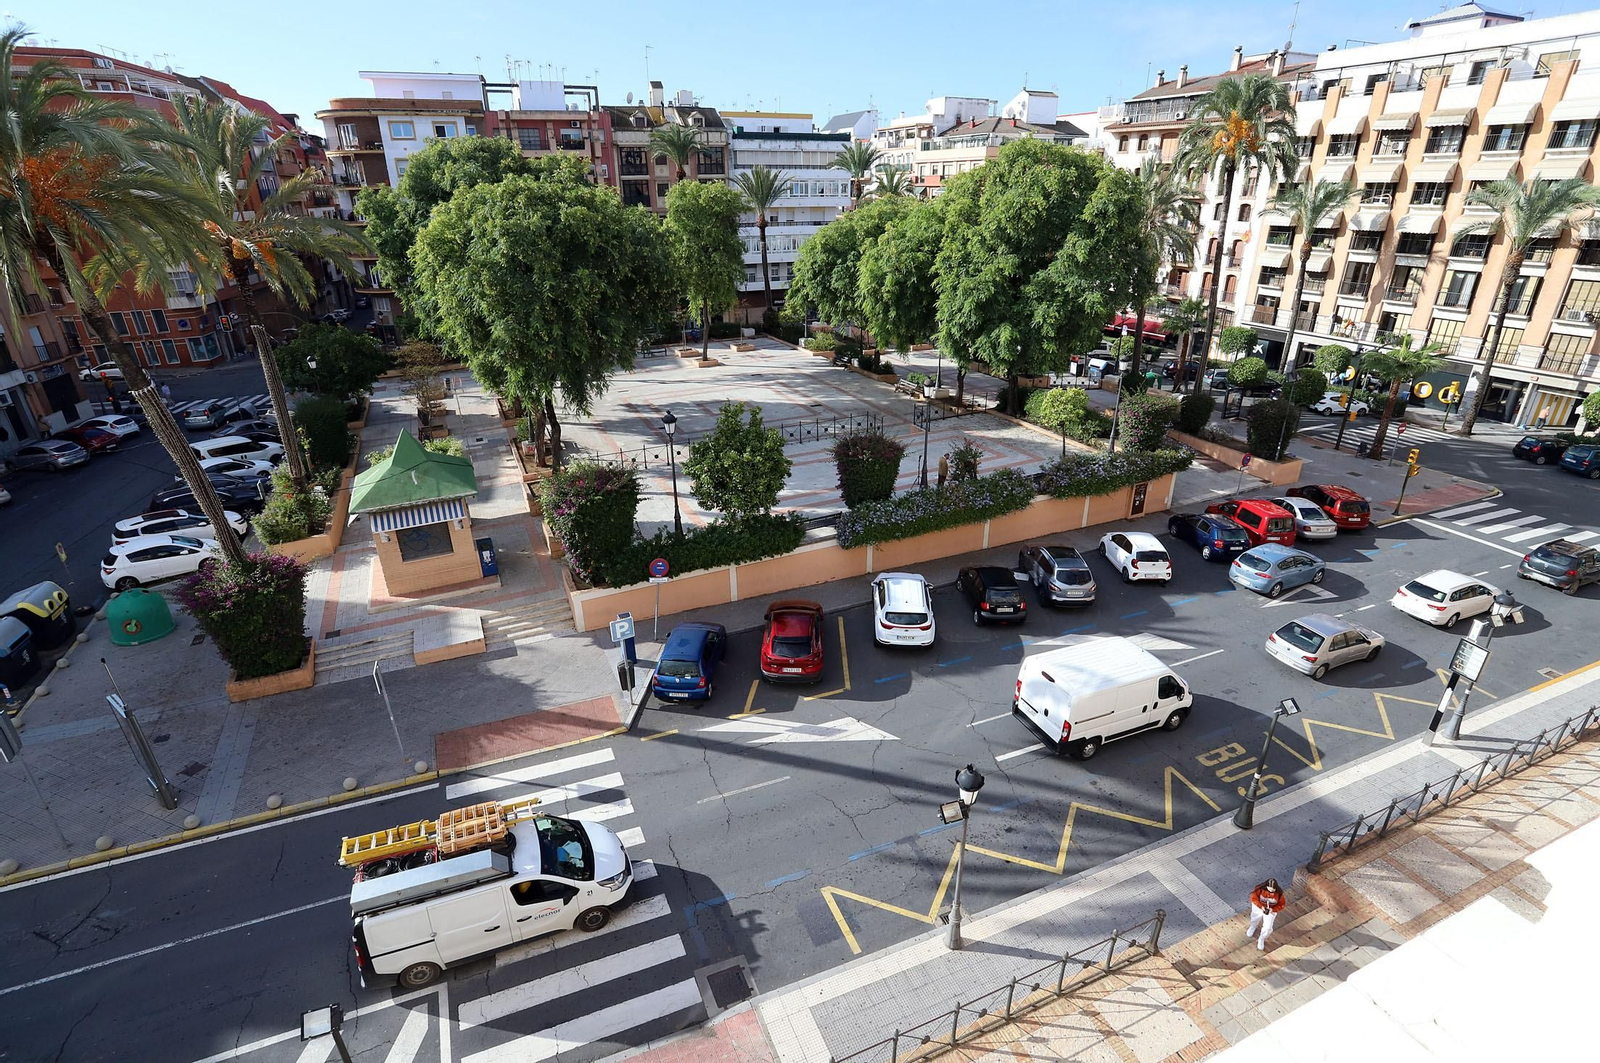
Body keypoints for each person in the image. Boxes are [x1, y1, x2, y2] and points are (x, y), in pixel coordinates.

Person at [1247, 878, 1286, 950]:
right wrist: (1261, 906)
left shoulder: (1279, 894)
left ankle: (1262, 938)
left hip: (1271, 910)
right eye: (1269, 888)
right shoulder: (1260, 889)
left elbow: (1282, 905)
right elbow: (1254, 898)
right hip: (1259, 907)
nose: (1271, 890)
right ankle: (1253, 926)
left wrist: (1273, 909)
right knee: (1255, 918)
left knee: (1268, 927)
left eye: (1273, 889)